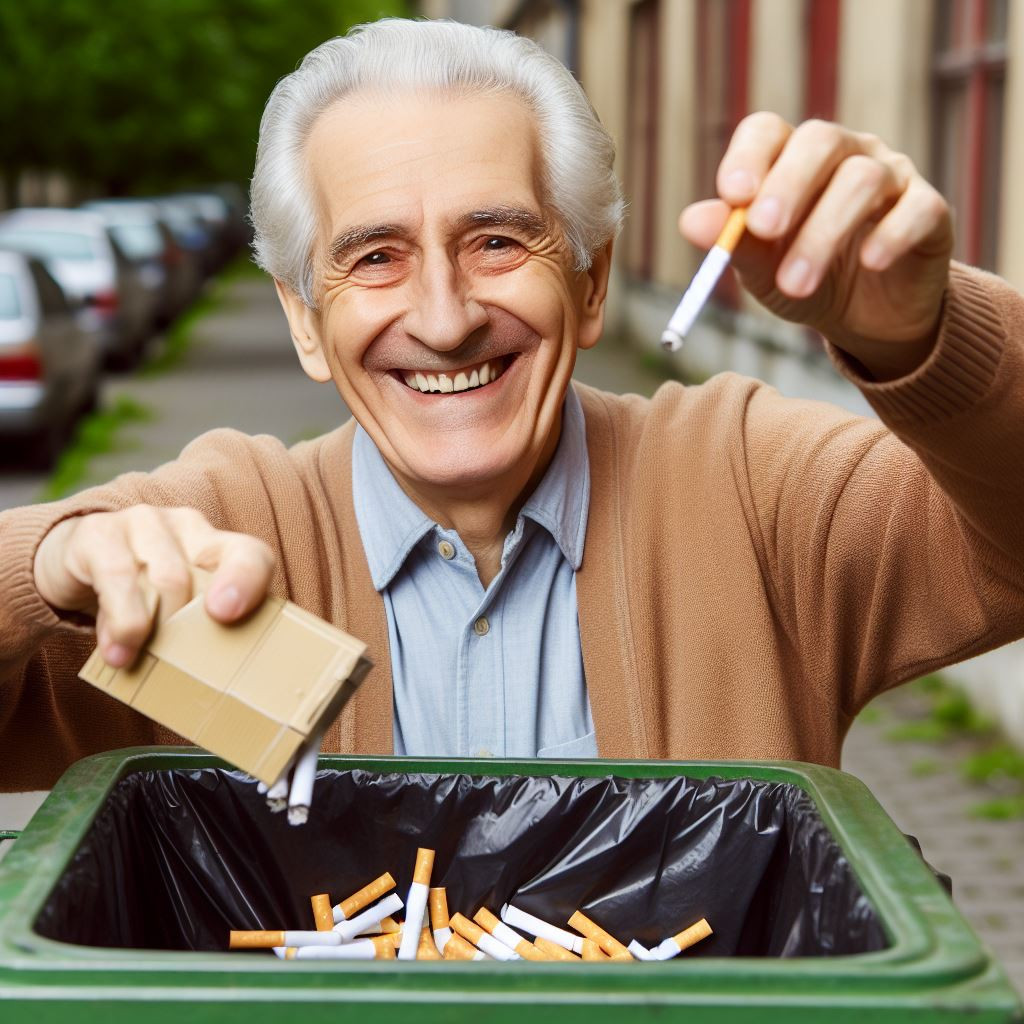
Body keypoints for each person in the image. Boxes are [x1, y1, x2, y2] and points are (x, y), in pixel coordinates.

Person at [1, 19, 1022, 790]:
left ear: (589, 283)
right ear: (305, 322)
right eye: (376, 257)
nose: (444, 319)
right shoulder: (222, 545)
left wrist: (922, 337)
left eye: (497, 240)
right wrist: (49, 570)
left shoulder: (751, 492)